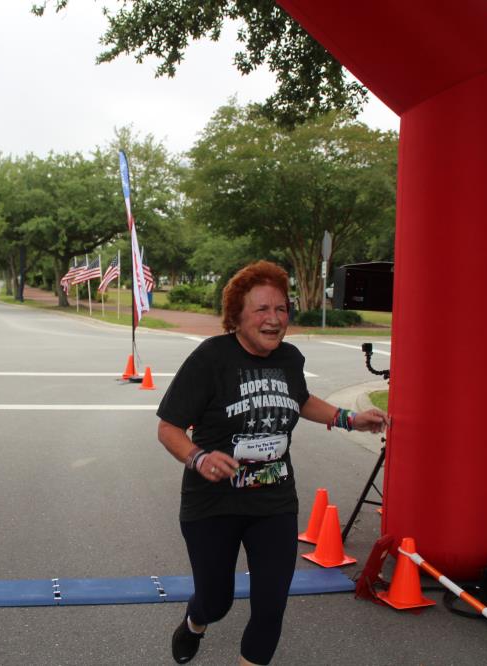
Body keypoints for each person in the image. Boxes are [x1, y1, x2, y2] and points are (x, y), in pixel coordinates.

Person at [156, 260, 388, 665]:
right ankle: (195, 621)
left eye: (281, 309)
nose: (275, 319)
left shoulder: (289, 359)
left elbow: (300, 400)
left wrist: (349, 419)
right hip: (213, 504)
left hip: (273, 502)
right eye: (262, 309)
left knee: (270, 606)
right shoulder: (211, 359)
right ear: (237, 316)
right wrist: (198, 458)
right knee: (216, 600)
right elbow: (168, 428)